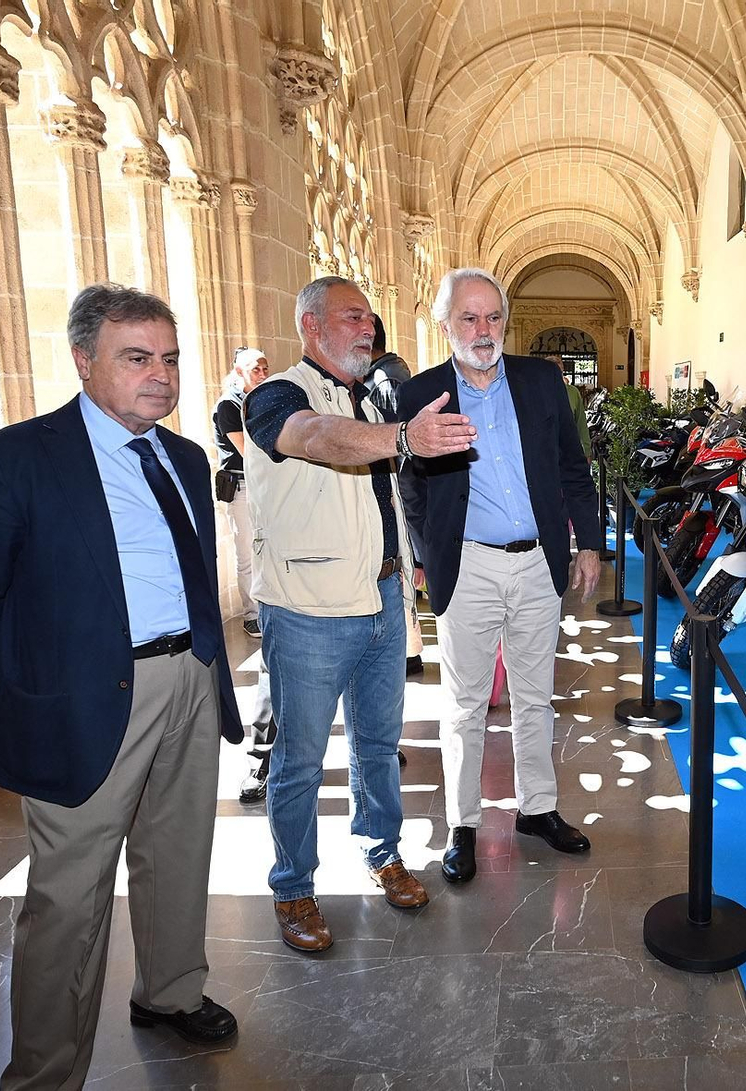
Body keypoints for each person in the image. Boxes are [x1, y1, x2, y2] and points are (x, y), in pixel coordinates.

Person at [0, 283, 243, 1088]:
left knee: (178, 852)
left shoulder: (185, 456)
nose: (161, 377)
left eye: (169, 359)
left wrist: (205, 658)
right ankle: (45, 1072)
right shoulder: (14, 458)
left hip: (190, 680)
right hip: (85, 698)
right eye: (137, 358)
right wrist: (41, 678)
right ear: (83, 360)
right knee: (69, 896)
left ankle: (171, 992)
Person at [244, 275, 476, 949]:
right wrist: (403, 436)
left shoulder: (374, 394)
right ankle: (293, 887)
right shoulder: (276, 394)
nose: (368, 328)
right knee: (301, 758)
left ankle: (382, 852)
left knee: (378, 745)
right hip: (310, 608)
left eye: (370, 318)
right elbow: (316, 437)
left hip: (383, 598)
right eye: (353, 317)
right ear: (312, 325)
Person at [397, 268, 602, 886]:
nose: (482, 331)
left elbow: (572, 464)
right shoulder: (423, 394)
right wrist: (427, 553)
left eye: (492, 318)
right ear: (445, 324)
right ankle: (463, 826)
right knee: (463, 704)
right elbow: (409, 485)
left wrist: (588, 541)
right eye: (468, 318)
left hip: (540, 559)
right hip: (469, 561)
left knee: (536, 695)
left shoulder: (541, 380)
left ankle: (537, 810)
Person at [214, 347, 277, 803]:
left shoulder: (273, 398)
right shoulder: (231, 404)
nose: (263, 371)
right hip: (284, 573)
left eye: (265, 366)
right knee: (276, 672)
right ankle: (260, 760)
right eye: (255, 366)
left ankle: (372, 749)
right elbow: (252, 452)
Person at [368, 318, 426, 677]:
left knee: (402, 569)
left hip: (398, 492)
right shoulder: (387, 375)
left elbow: (400, 450)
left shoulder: (385, 381)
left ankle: (408, 653)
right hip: (400, 491)